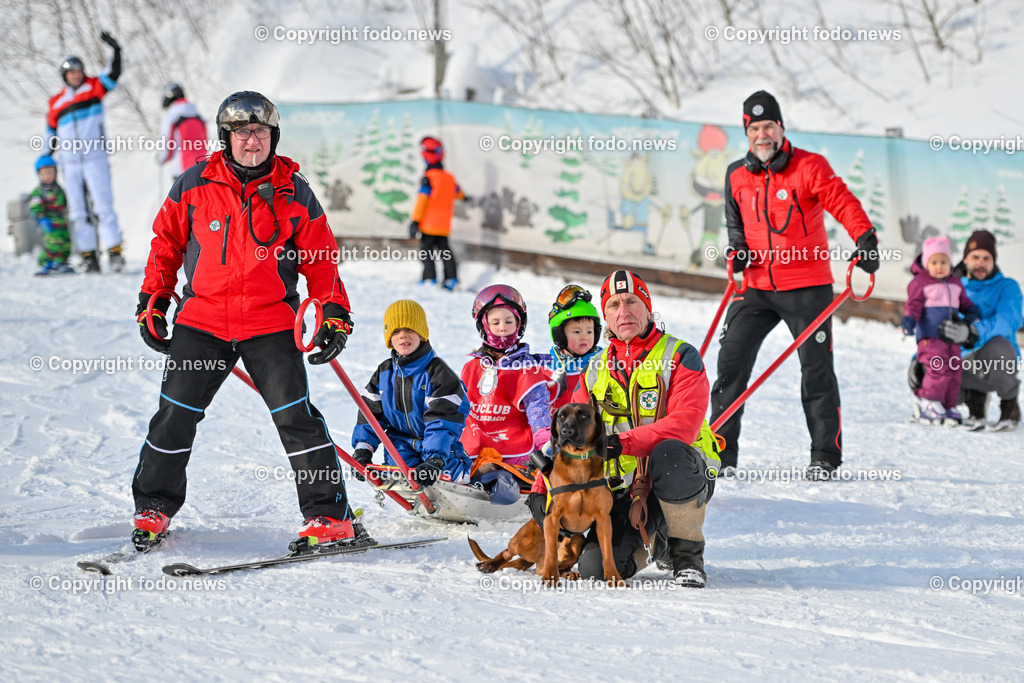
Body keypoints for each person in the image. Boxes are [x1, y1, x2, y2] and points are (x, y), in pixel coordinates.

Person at [131, 91, 366, 552]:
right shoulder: (193, 185)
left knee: (296, 418)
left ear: (272, 136)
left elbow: (321, 260)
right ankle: (154, 506)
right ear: (226, 138)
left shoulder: (294, 192)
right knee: (174, 416)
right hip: (202, 322)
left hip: (271, 324)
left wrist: (334, 311)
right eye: (242, 133)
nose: (252, 141)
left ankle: (329, 516)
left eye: (260, 132)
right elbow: (165, 245)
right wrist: (154, 299)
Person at [710, 90, 879, 480]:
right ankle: (719, 455)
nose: (763, 134)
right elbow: (735, 221)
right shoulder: (737, 173)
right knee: (730, 364)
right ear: (747, 133)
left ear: (782, 128)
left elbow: (842, 201)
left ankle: (825, 456)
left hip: (807, 287)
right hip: (755, 288)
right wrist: (737, 250)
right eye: (755, 128)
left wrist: (865, 238)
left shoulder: (810, 166)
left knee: (816, 371)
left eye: (769, 125)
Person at [560, 270, 722, 587]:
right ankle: (658, 543)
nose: (625, 311)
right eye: (615, 304)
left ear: (647, 307)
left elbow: (683, 428)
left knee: (670, 453)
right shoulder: (594, 370)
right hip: (628, 488)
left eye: (632, 301)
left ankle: (688, 558)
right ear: (605, 317)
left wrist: (620, 442)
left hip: (682, 474)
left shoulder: (680, 355)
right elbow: (574, 440)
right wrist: (544, 489)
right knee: (596, 569)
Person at [350, 299, 473, 486]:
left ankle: (464, 479)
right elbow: (370, 414)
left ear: (422, 334)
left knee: (450, 478)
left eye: (410, 329)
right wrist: (363, 450)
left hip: (437, 446)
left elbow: (443, 419)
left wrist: (435, 459)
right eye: (396, 331)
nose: (403, 336)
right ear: (389, 338)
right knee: (399, 477)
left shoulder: (438, 373)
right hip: (400, 443)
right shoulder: (384, 373)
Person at [460, 284, 556, 503]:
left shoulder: (527, 369)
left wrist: (546, 445)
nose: (502, 327)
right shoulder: (471, 368)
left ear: (519, 324)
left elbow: (538, 411)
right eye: (495, 322)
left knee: (501, 477)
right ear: (484, 326)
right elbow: (457, 411)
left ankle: (509, 486)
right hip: (475, 450)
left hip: (516, 454)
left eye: (509, 321)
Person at [45, 33, 125, 274]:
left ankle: (114, 252)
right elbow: (50, 133)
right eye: (71, 73)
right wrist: (44, 159)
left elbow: (113, 74)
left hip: (95, 157)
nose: (76, 75)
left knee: (103, 206)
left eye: (79, 70)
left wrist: (116, 50)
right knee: (79, 211)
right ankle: (89, 256)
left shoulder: (94, 87)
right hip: (69, 163)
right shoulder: (56, 103)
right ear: (65, 76)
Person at [945, 230, 1022, 431]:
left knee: (999, 346)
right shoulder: (949, 288)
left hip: (995, 365)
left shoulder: (1008, 287)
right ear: (965, 259)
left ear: (994, 260)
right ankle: (973, 399)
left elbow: (1008, 321)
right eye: (975, 257)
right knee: (925, 367)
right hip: (961, 365)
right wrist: (917, 360)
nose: (981, 263)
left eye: (986, 258)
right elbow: (936, 328)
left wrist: (973, 332)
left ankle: (1009, 405)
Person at [902, 236, 980, 424]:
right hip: (930, 337)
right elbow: (913, 306)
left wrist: (971, 311)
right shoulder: (921, 283)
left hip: (951, 337)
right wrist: (909, 321)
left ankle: (948, 405)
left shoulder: (955, 283)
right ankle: (930, 402)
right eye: (934, 262)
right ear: (927, 263)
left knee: (954, 369)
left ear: (950, 263)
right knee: (937, 369)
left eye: (944, 262)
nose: (939, 266)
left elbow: (964, 302)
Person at [408, 136, 467, 290]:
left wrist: (415, 221)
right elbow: (460, 193)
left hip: (428, 224)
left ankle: (429, 278)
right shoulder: (449, 178)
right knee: (445, 252)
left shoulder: (428, 179)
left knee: (426, 253)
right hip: (444, 225)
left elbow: (422, 201)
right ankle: (451, 279)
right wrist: (466, 198)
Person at [545, 284, 603, 412]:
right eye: (576, 332)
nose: (584, 337)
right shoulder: (548, 365)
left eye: (589, 332)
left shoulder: (602, 362)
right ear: (560, 334)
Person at [29, 155, 74, 276]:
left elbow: (65, 203)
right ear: (39, 175)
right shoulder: (38, 192)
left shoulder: (59, 189)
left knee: (66, 242)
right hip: (49, 221)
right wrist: (41, 218)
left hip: (61, 221)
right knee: (53, 243)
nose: (48, 176)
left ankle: (62, 262)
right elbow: (35, 207)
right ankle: (47, 262)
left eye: (50, 173)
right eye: (45, 174)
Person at [157, 83, 208, 180]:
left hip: (181, 170)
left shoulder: (171, 116)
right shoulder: (198, 115)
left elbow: (167, 144)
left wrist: (161, 159)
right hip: (202, 168)